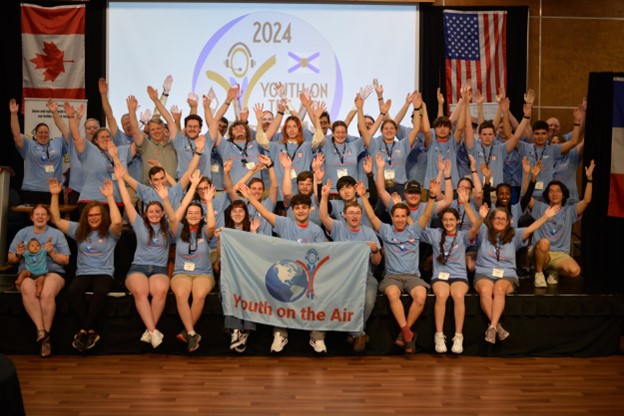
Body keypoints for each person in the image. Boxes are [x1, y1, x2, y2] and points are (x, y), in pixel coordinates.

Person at [239, 186, 327, 353]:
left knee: (321, 293)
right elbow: (265, 212)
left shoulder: (316, 230)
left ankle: (317, 337)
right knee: (275, 288)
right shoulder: (284, 223)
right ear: (292, 210)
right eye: (297, 208)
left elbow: (321, 257)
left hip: (308, 275)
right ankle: (280, 334)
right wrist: (250, 197)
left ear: (309, 209)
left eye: (304, 207)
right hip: (287, 272)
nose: (301, 211)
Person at [359, 177, 441, 354]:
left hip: (413, 277)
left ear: (407, 217)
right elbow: (372, 217)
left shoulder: (414, 230)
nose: (400, 219)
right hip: (392, 277)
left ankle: (404, 332)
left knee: (421, 296)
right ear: (392, 217)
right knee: (392, 294)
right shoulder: (386, 230)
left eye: (403, 216)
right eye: (397, 216)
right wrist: (363, 197)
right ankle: (407, 333)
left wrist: (433, 196)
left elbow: (427, 215)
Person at [48, 177, 122, 352]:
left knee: (100, 292)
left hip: (104, 272)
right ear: (85, 217)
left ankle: (84, 330)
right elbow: (56, 220)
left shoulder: (110, 232)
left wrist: (110, 197)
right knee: (73, 292)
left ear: (102, 216)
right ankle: (90, 330)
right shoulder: (79, 229)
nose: (94, 218)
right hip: (83, 272)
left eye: (97, 214)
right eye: (90, 215)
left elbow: (118, 221)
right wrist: (54, 195)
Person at [474, 205, 560, 343]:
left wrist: (545, 217)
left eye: (504, 218)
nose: (500, 221)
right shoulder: (484, 231)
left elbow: (532, 228)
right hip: (484, 273)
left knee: (499, 289)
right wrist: (470, 208)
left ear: (508, 221)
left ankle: (492, 326)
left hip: (507, 275)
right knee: (485, 290)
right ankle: (496, 327)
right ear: (491, 220)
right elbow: (474, 222)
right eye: (497, 218)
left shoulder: (515, 234)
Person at [319, 179, 382, 353]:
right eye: (351, 213)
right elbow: (323, 217)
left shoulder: (368, 232)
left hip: (365, 276)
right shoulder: (338, 227)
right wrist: (324, 196)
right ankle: (357, 333)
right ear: (344, 215)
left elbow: (377, 262)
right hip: (342, 276)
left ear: (361, 216)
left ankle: (354, 331)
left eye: (357, 213)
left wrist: (375, 251)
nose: (354, 216)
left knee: (368, 300)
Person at [420, 189, 486, 354]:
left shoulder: (463, 236)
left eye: (452, 220)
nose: (448, 222)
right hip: (439, 277)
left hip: (459, 277)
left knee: (458, 295)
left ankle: (458, 336)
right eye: (445, 220)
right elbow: (418, 226)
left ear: (457, 221)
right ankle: (439, 335)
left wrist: (481, 218)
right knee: (441, 295)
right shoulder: (435, 234)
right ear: (441, 221)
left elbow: (475, 230)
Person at [115, 164, 172, 348]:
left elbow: (176, 216)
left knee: (160, 291)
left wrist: (166, 199)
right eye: (151, 211)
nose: (154, 214)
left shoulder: (169, 228)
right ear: (146, 214)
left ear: (162, 213)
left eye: (158, 211)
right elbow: (127, 202)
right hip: (138, 268)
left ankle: (150, 332)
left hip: (159, 269)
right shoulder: (139, 224)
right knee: (141, 291)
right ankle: (153, 331)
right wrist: (121, 181)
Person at [160, 170, 216, 353]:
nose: (192, 215)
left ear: (201, 216)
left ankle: (187, 332)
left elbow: (212, 226)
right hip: (182, 274)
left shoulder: (205, 232)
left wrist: (208, 202)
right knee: (182, 294)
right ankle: (192, 333)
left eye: (196, 213)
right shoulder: (178, 229)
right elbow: (175, 214)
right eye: (190, 212)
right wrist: (192, 186)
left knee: (199, 295)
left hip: (203, 274)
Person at [8, 204, 70, 357]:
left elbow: (66, 261)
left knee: (46, 292)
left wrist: (52, 253)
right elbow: (10, 259)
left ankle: (45, 337)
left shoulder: (56, 234)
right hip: (27, 273)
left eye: (44, 214)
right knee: (28, 288)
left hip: (52, 272)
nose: (40, 217)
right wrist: (18, 254)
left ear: (48, 217)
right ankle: (42, 331)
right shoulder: (22, 233)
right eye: (37, 214)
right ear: (32, 217)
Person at [528, 161, 595, 287]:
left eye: (558, 191)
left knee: (575, 271)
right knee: (544, 242)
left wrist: (589, 179)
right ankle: (539, 274)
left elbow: (586, 201)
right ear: (547, 194)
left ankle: (554, 270)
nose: (554, 194)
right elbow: (525, 197)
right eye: (551, 191)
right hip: (540, 250)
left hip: (559, 254)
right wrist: (530, 176)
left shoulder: (569, 211)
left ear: (563, 195)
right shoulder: (540, 207)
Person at [217, 200, 261, 353]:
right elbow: (220, 258)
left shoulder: (251, 230)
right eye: (234, 211)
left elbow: (255, 255)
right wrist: (219, 239)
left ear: (246, 214)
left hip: (247, 273)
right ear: (229, 214)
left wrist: (254, 234)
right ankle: (236, 330)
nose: (237, 213)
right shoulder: (225, 231)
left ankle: (245, 331)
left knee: (250, 291)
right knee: (228, 291)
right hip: (229, 273)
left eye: (241, 211)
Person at [10, 99, 67, 205]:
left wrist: (55, 113)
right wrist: (13, 114)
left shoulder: (58, 143)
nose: (43, 134)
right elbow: (16, 134)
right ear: (35, 135)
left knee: (55, 222)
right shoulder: (29, 145)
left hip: (54, 192)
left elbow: (66, 132)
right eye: (40, 132)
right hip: (32, 191)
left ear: (49, 134)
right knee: (33, 221)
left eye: (46, 132)